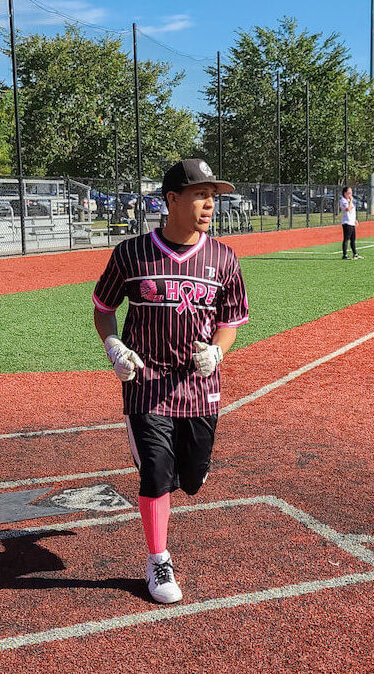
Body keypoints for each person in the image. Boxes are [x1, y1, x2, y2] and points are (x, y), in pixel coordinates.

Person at [92, 158, 248, 604]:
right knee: (157, 472)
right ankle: (158, 557)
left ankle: (172, 477)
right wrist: (115, 347)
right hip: (146, 384)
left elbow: (231, 319)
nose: (209, 205)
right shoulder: (130, 254)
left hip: (200, 388)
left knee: (193, 477)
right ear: (172, 200)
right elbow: (103, 308)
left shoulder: (223, 257)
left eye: (213, 197)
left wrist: (218, 349)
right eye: (200, 195)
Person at [339, 186, 363, 260]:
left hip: (351, 222)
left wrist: (355, 220)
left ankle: (355, 254)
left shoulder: (348, 200)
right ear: (345, 193)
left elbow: (352, 212)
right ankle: (345, 255)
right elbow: (348, 209)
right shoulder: (343, 200)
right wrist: (351, 200)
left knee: (353, 239)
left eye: (351, 192)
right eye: (349, 192)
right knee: (346, 239)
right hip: (347, 222)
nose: (350, 194)